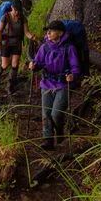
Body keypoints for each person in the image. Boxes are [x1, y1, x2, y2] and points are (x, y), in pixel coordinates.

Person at [29, 20, 81, 150]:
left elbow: (75, 66)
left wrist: (72, 75)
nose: (48, 33)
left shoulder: (69, 48)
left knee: (56, 114)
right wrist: (33, 66)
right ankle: (48, 140)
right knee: (46, 113)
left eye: (51, 31)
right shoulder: (45, 47)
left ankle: (59, 130)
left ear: (60, 32)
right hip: (46, 83)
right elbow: (39, 63)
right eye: (48, 30)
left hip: (62, 85)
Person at [0, 0, 36, 92]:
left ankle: (10, 85)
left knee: (15, 64)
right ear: (12, 8)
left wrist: (32, 37)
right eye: (15, 10)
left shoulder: (23, 17)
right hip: (6, 43)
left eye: (19, 10)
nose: (17, 12)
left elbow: (26, 32)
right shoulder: (5, 17)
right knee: (5, 65)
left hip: (17, 43)